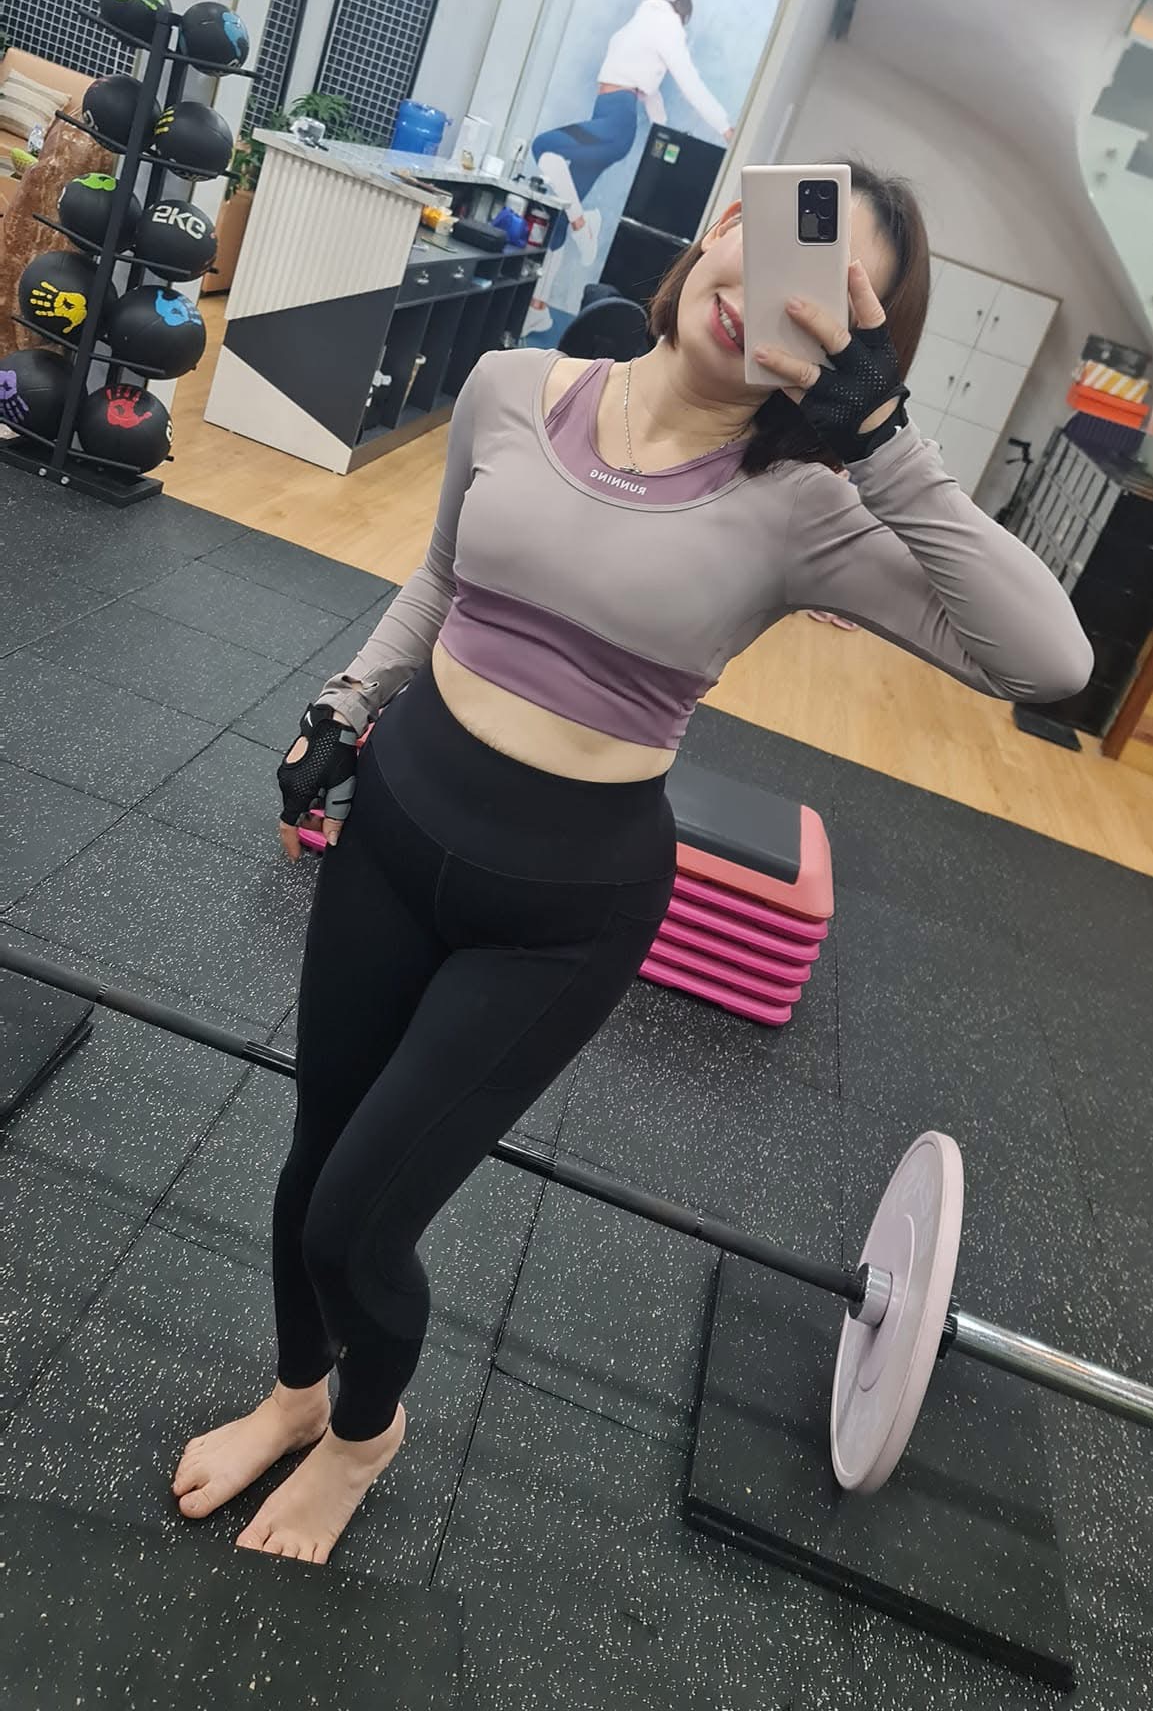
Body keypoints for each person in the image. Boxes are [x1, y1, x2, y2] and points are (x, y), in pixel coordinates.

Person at [171, 163, 1091, 1564]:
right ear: (724, 228)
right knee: (311, 1167)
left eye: (830, 305)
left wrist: (887, 445)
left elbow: (1047, 658)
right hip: (395, 826)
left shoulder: (804, 510)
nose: (774, 298)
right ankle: (296, 1394)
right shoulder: (510, 388)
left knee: (361, 1219)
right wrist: (348, 701)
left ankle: (363, 1436)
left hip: (557, 913)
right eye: (777, 248)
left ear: (853, 349)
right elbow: (442, 578)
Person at [522, 0, 733, 336]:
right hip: (607, 114)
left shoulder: (664, 20)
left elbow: (686, 77)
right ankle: (539, 307)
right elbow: (650, 88)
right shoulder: (646, 15)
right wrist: (662, 127)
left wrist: (725, 127)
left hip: (616, 122)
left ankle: (583, 224)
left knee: (545, 147)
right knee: (557, 216)